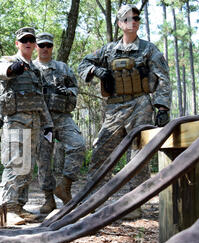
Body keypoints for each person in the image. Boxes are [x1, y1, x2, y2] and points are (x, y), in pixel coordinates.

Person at [78, 4, 171, 219]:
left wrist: (162, 107)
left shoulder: (149, 49)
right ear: (120, 23)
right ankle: (91, 202)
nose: (134, 21)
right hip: (114, 107)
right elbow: (83, 63)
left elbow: (163, 78)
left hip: (140, 104)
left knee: (138, 153)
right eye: (128, 18)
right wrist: (96, 70)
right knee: (101, 150)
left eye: (137, 18)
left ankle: (134, 203)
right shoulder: (108, 50)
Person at [0, 27, 54, 218]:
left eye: (31, 40)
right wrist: (14, 69)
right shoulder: (9, 61)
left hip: (35, 122)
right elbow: (0, 71)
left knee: (27, 167)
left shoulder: (36, 69)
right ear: (17, 43)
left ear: (34, 44)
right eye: (24, 40)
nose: (28, 43)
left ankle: (19, 207)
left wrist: (48, 123)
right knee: (15, 164)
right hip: (16, 122)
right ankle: (8, 209)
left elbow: (40, 98)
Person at [33, 32, 86, 212]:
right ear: (36, 47)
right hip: (42, 121)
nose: (45, 48)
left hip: (62, 117)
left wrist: (68, 91)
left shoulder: (62, 68)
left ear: (52, 47)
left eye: (48, 45)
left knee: (78, 145)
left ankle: (65, 186)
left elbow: (74, 87)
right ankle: (49, 199)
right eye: (41, 45)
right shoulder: (31, 68)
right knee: (44, 159)